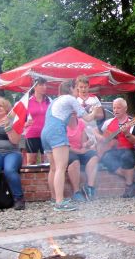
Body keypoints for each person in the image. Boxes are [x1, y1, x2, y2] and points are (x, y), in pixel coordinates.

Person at [41, 80, 100, 212]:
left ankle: (54, 198)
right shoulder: (70, 98)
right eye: (76, 89)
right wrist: (95, 110)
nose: (78, 91)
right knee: (61, 168)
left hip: (45, 133)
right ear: (72, 89)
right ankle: (60, 202)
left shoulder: (55, 101)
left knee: (54, 168)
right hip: (57, 132)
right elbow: (88, 118)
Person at [0, 98, 25, 212]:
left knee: (10, 170)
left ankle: (19, 199)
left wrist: (7, 126)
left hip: (11, 152)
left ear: (7, 108)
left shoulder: (14, 122)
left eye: (1, 106)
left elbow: (16, 141)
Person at [98, 98, 135, 198]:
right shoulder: (108, 122)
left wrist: (127, 134)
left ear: (125, 109)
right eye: (114, 108)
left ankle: (129, 185)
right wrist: (102, 139)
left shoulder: (132, 122)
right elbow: (95, 130)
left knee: (126, 156)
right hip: (115, 150)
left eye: (118, 108)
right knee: (106, 158)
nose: (115, 110)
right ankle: (134, 179)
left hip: (131, 150)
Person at [66, 113, 99, 201]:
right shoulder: (62, 125)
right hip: (68, 152)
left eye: (74, 112)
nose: (72, 114)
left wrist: (87, 145)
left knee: (94, 156)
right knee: (75, 161)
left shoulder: (81, 123)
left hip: (80, 150)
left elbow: (83, 143)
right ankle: (76, 192)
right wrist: (79, 151)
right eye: (70, 111)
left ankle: (89, 187)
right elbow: (65, 146)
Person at [24, 77, 51, 165]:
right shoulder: (27, 102)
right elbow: (19, 120)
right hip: (31, 134)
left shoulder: (49, 101)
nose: (44, 87)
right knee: (31, 161)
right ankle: (28, 178)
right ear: (34, 87)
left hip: (46, 134)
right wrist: (26, 123)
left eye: (45, 85)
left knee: (46, 161)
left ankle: (46, 179)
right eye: (41, 85)